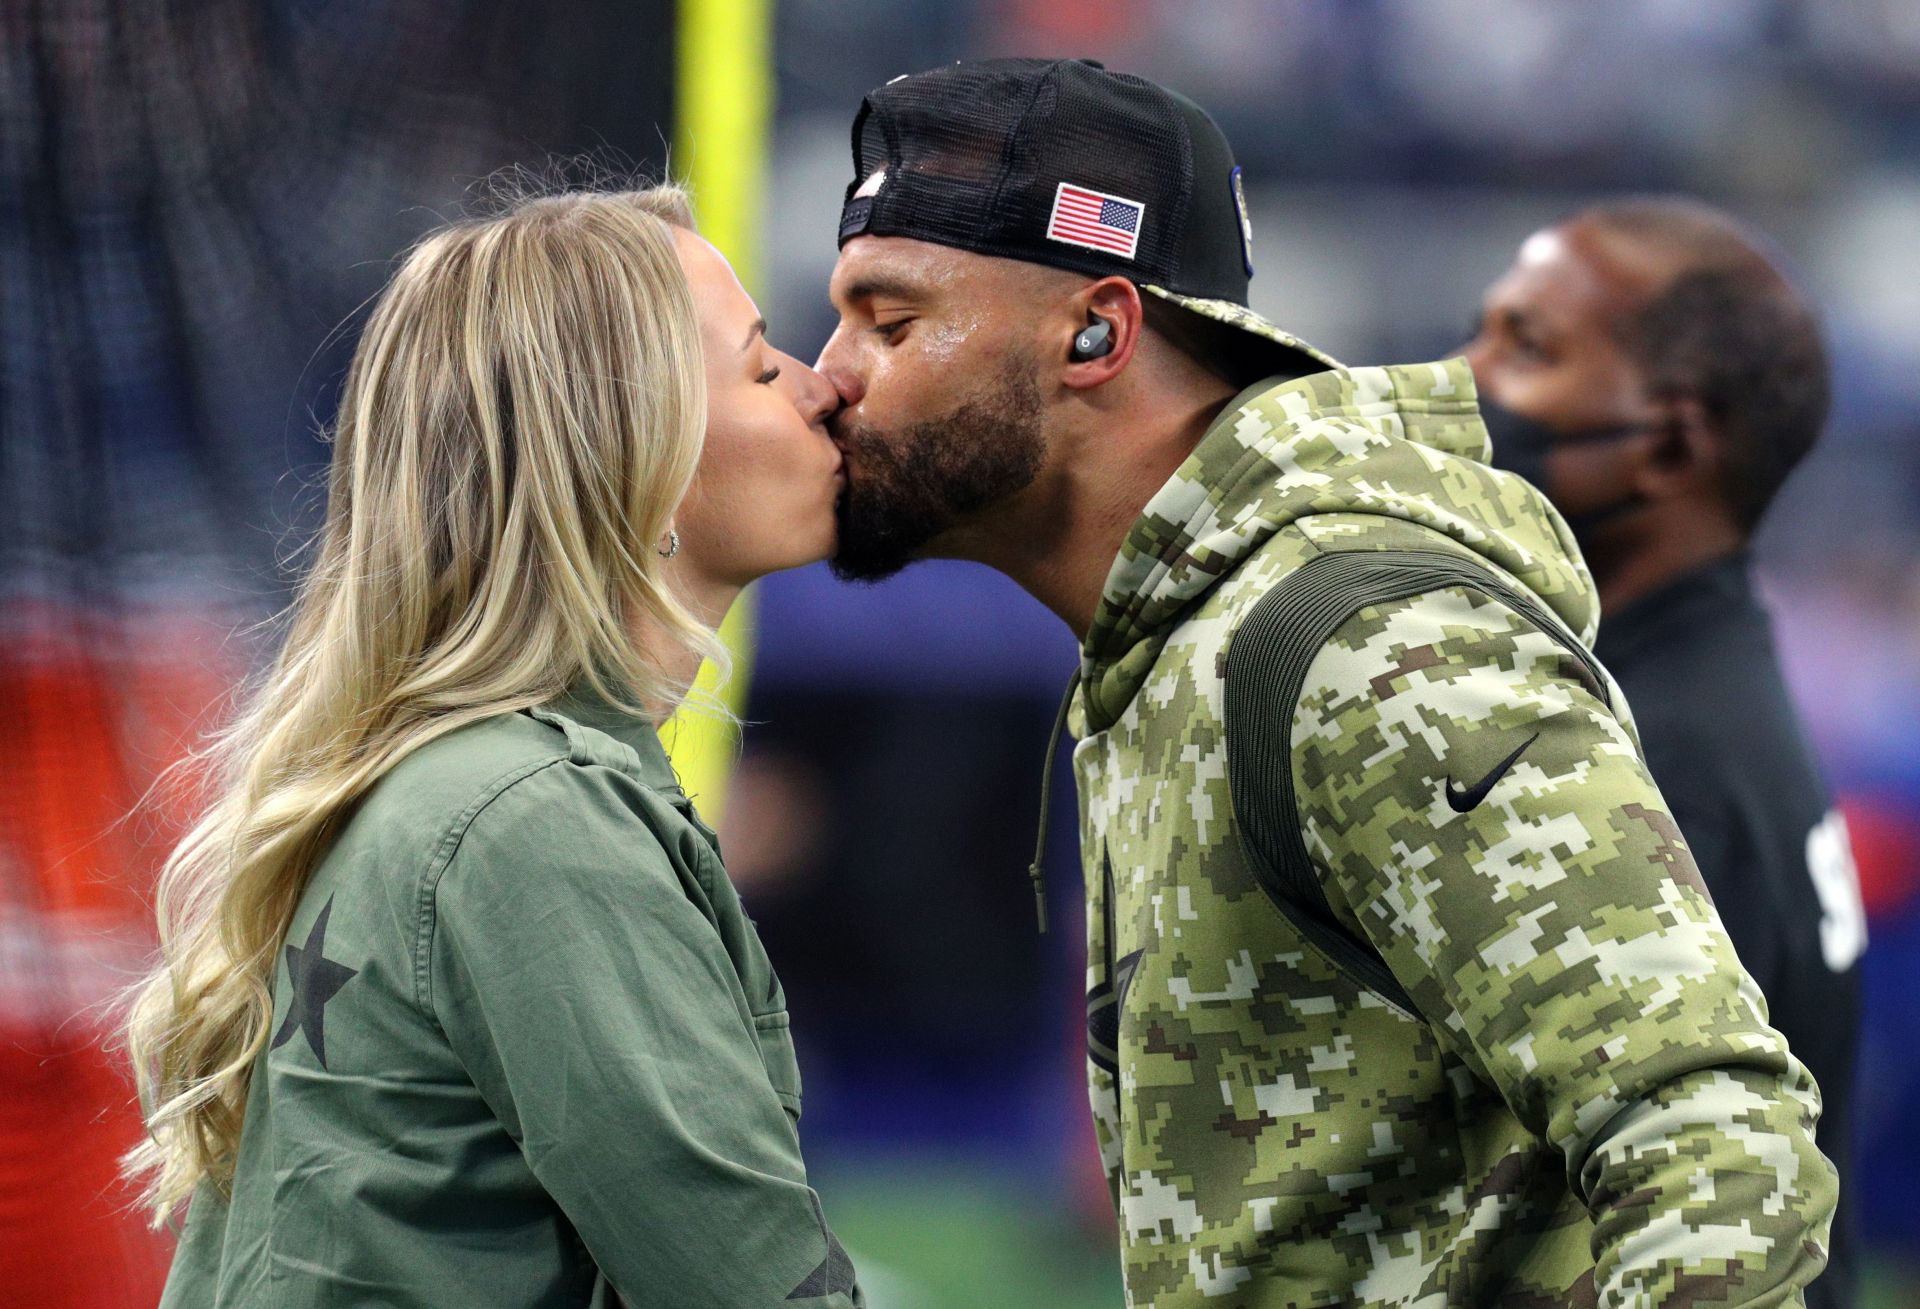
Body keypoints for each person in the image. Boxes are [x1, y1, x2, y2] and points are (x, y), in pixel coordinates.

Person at [816, 58, 1836, 1306]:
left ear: (1099, 332)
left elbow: (1720, 1141)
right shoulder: (1187, 628)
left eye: (892, 320)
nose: (831, 373)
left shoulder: (1364, 646)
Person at [120, 185, 862, 1307]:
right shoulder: (533, 818)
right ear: (639, 460)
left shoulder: (453, 780)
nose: (823, 389)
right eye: (762, 367)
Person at [1464, 196, 1866, 1309]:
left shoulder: (1646, 757)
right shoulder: (1682, 684)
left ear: (1675, 441)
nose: (1464, 375)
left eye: (1526, 347)